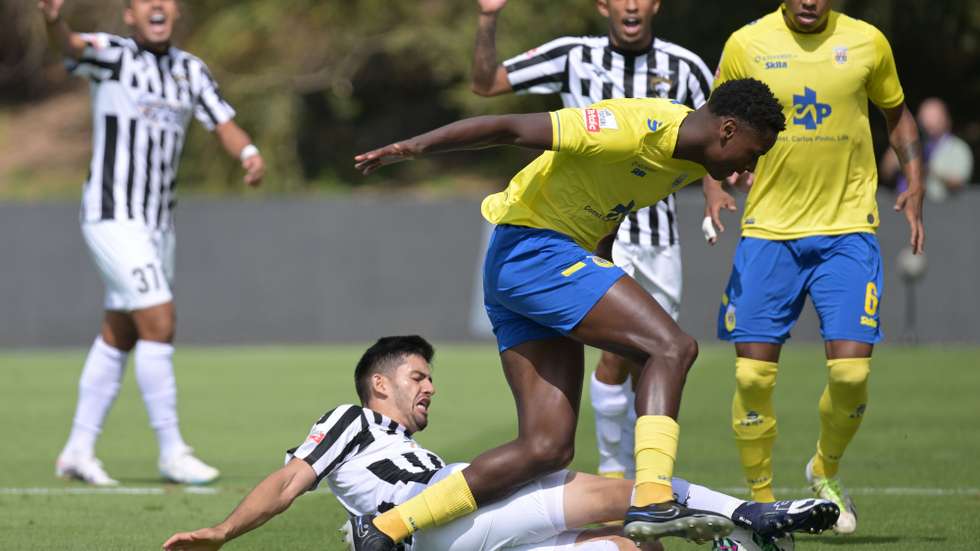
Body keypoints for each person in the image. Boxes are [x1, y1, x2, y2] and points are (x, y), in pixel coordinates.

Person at [348, 78, 786, 549]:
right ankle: (654, 498)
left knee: (546, 448)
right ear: (726, 130)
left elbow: (606, 211)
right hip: (534, 251)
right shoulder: (633, 127)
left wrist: (604, 275)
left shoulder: (686, 165)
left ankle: (386, 528)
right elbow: (510, 127)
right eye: (753, 152)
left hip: (528, 268)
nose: (749, 167)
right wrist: (414, 148)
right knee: (672, 348)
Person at [161, 336, 838, 551]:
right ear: (378, 383)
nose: (429, 389)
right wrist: (222, 531)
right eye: (417, 376)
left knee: (628, 544)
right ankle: (748, 512)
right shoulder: (349, 419)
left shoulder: (407, 439)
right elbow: (288, 482)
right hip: (434, 517)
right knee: (611, 490)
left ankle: (724, 535)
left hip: (461, 525)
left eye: (431, 379)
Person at [701, 0, 925, 535]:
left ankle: (824, 468)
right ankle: (763, 506)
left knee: (851, 373)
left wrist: (915, 181)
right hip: (768, 232)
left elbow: (897, 115)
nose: (808, 1)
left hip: (847, 229)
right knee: (752, 376)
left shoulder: (869, 42)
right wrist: (712, 183)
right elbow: (709, 120)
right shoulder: (746, 43)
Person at [471, 0, 715, 482]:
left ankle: (640, 485)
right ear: (603, 5)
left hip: (657, 234)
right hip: (582, 230)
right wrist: (487, 18)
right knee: (639, 352)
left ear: (655, 5)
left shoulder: (685, 66)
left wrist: (715, 191)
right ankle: (621, 476)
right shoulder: (572, 55)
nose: (631, 4)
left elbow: (717, 132)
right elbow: (487, 84)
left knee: (654, 358)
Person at [39, 0, 265, 486]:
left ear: (176, 12)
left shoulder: (190, 70)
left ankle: (77, 449)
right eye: (147, 0)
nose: (159, 6)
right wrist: (55, 20)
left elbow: (221, 120)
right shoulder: (114, 56)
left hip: (159, 224)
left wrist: (247, 151)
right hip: (112, 215)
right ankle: (171, 450)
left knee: (121, 331)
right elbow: (72, 46)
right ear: (129, 14)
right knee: (159, 319)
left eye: (167, 0)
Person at [880, 97, 974, 202]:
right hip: (902, 203)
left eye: (934, 118)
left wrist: (926, 170)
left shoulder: (958, 148)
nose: (928, 123)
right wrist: (897, 147)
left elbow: (959, 183)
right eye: (925, 118)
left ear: (946, 120)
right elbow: (886, 173)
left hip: (942, 208)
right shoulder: (911, 144)